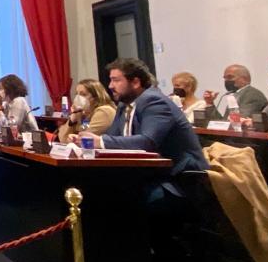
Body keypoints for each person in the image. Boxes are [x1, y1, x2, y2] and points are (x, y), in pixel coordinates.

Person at [74, 57, 207, 180]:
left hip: (180, 178)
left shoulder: (154, 101)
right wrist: (85, 141)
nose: (110, 86)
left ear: (136, 82)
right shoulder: (124, 104)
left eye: (116, 80)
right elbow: (112, 136)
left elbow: (147, 142)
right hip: (149, 173)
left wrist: (100, 141)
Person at [57, 78, 117, 143]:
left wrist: (73, 137)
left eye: (83, 94)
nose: (78, 98)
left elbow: (85, 139)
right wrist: (72, 120)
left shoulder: (104, 111)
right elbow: (62, 139)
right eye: (77, 94)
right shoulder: (85, 113)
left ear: (96, 97)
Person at [203, 64, 267, 119]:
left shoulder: (252, 95)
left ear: (245, 79)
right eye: (225, 78)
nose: (226, 81)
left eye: (230, 77)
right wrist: (210, 103)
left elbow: (240, 122)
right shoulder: (236, 94)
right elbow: (223, 123)